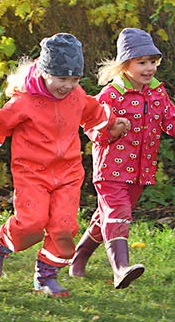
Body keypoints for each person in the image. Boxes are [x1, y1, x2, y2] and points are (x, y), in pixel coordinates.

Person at [0, 33, 131, 296]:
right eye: (61, 78)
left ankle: (46, 275)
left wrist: (113, 123)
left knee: (65, 226)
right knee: (31, 223)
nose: (68, 85)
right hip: (32, 173)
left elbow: (94, 112)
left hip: (68, 173)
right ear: (45, 72)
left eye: (75, 79)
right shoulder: (25, 101)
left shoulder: (77, 96)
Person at [70, 28, 175, 289]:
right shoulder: (111, 95)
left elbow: (170, 119)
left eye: (153, 61)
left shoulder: (157, 93)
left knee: (106, 217)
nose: (149, 68)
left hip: (141, 171)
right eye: (142, 62)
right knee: (118, 213)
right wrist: (112, 129)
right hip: (110, 170)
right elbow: (90, 125)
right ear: (125, 65)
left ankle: (79, 256)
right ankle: (121, 269)